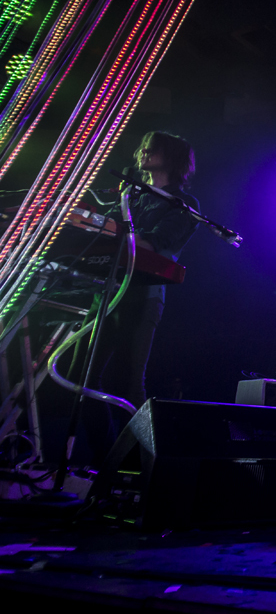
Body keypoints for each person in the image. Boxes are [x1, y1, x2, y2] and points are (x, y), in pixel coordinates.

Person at [86, 132, 200, 462]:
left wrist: (108, 227)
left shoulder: (184, 205)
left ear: (173, 157)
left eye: (154, 146)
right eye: (143, 143)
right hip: (106, 292)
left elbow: (153, 243)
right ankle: (104, 461)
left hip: (144, 296)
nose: (144, 150)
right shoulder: (130, 194)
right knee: (85, 379)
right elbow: (103, 226)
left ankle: (138, 467)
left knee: (128, 382)